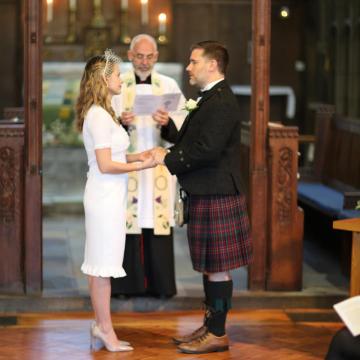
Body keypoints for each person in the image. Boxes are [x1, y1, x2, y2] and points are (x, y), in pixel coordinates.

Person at [152, 41, 253, 354]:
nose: (188, 67)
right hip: (208, 190)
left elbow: (207, 150)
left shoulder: (221, 101)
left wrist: (166, 159)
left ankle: (218, 332)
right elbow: (192, 139)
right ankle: (210, 325)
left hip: (218, 191)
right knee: (211, 266)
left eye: (194, 61)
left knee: (218, 267)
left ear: (212, 65)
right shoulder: (209, 98)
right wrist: (168, 131)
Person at [75, 49, 156, 352]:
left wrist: (141, 156)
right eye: (117, 75)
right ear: (103, 79)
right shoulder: (97, 116)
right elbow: (106, 165)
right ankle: (105, 330)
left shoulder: (105, 112)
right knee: (101, 268)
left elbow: (117, 155)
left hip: (110, 195)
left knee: (101, 267)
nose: (121, 79)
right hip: (103, 197)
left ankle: (101, 324)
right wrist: (140, 166)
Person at [111, 34, 186, 298]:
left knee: (156, 222)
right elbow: (104, 128)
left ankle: (161, 286)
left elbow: (183, 129)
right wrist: (121, 122)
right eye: (139, 56)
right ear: (130, 56)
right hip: (127, 165)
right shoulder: (116, 85)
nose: (144, 61)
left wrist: (167, 123)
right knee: (127, 223)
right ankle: (124, 287)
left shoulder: (169, 85)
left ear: (156, 57)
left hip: (157, 168)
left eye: (150, 56)